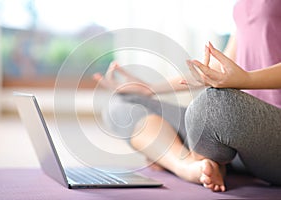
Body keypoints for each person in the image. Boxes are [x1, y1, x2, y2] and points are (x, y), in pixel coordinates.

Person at [93, 0, 281, 192]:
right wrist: (151, 89)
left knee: (209, 107)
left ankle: (187, 157)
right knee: (121, 103)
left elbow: (239, 79)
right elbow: (223, 67)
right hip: (240, 142)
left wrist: (247, 79)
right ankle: (190, 165)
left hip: (271, 139)